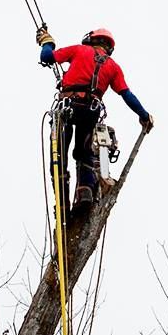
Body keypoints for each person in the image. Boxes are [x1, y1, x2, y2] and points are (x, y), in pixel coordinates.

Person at [37, 25, 153, 209]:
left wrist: (47, 43)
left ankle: (62, 197)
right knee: (84, 154)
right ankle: (85, 193)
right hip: (90, 112)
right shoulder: (113, 67)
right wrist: (144, 116)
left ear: (91, 39)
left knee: (59, 153)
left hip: (68, 107)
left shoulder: (78, 50)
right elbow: (127, 95)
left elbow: (46, 57)